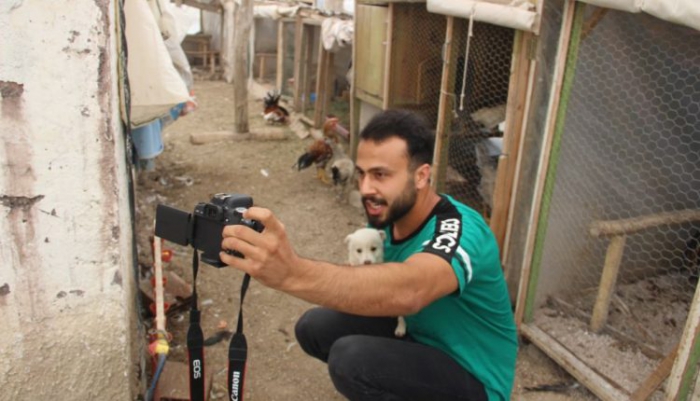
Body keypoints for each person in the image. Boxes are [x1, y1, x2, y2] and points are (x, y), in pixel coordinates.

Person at [220, 109, 518, 400]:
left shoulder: (460, 229)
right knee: (314, 328)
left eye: (381, 175)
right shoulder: (388, 220)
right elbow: (370, 281)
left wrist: (292, 272)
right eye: (362, 175)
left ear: (421, 176)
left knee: (352, 360)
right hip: (419, 336)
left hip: (474, 375)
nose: (366, 188)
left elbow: (411, 289)